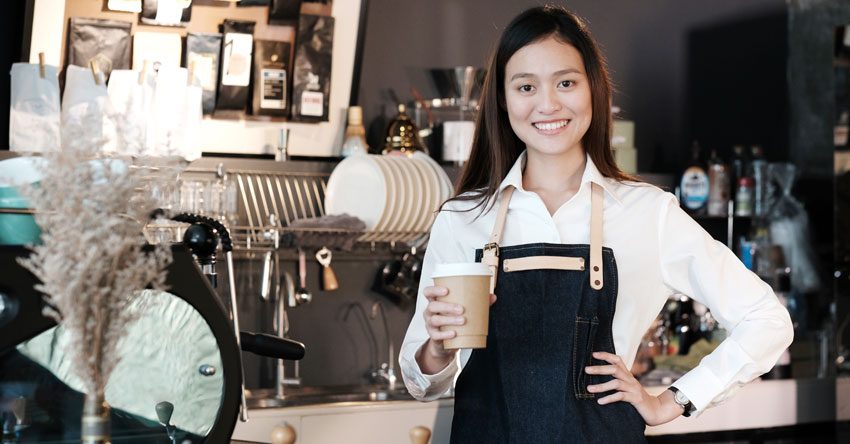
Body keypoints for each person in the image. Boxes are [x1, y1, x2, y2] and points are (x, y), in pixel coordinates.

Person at [399, 4, 794, 443]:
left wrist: (673, 400)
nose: (547, 104)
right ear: (503, 100)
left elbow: (767, 319)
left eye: (565, 82)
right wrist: (436, 349)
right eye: (526, 86)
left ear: (594, 91)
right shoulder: (464, 219)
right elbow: (422, 382)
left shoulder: (647, 213)